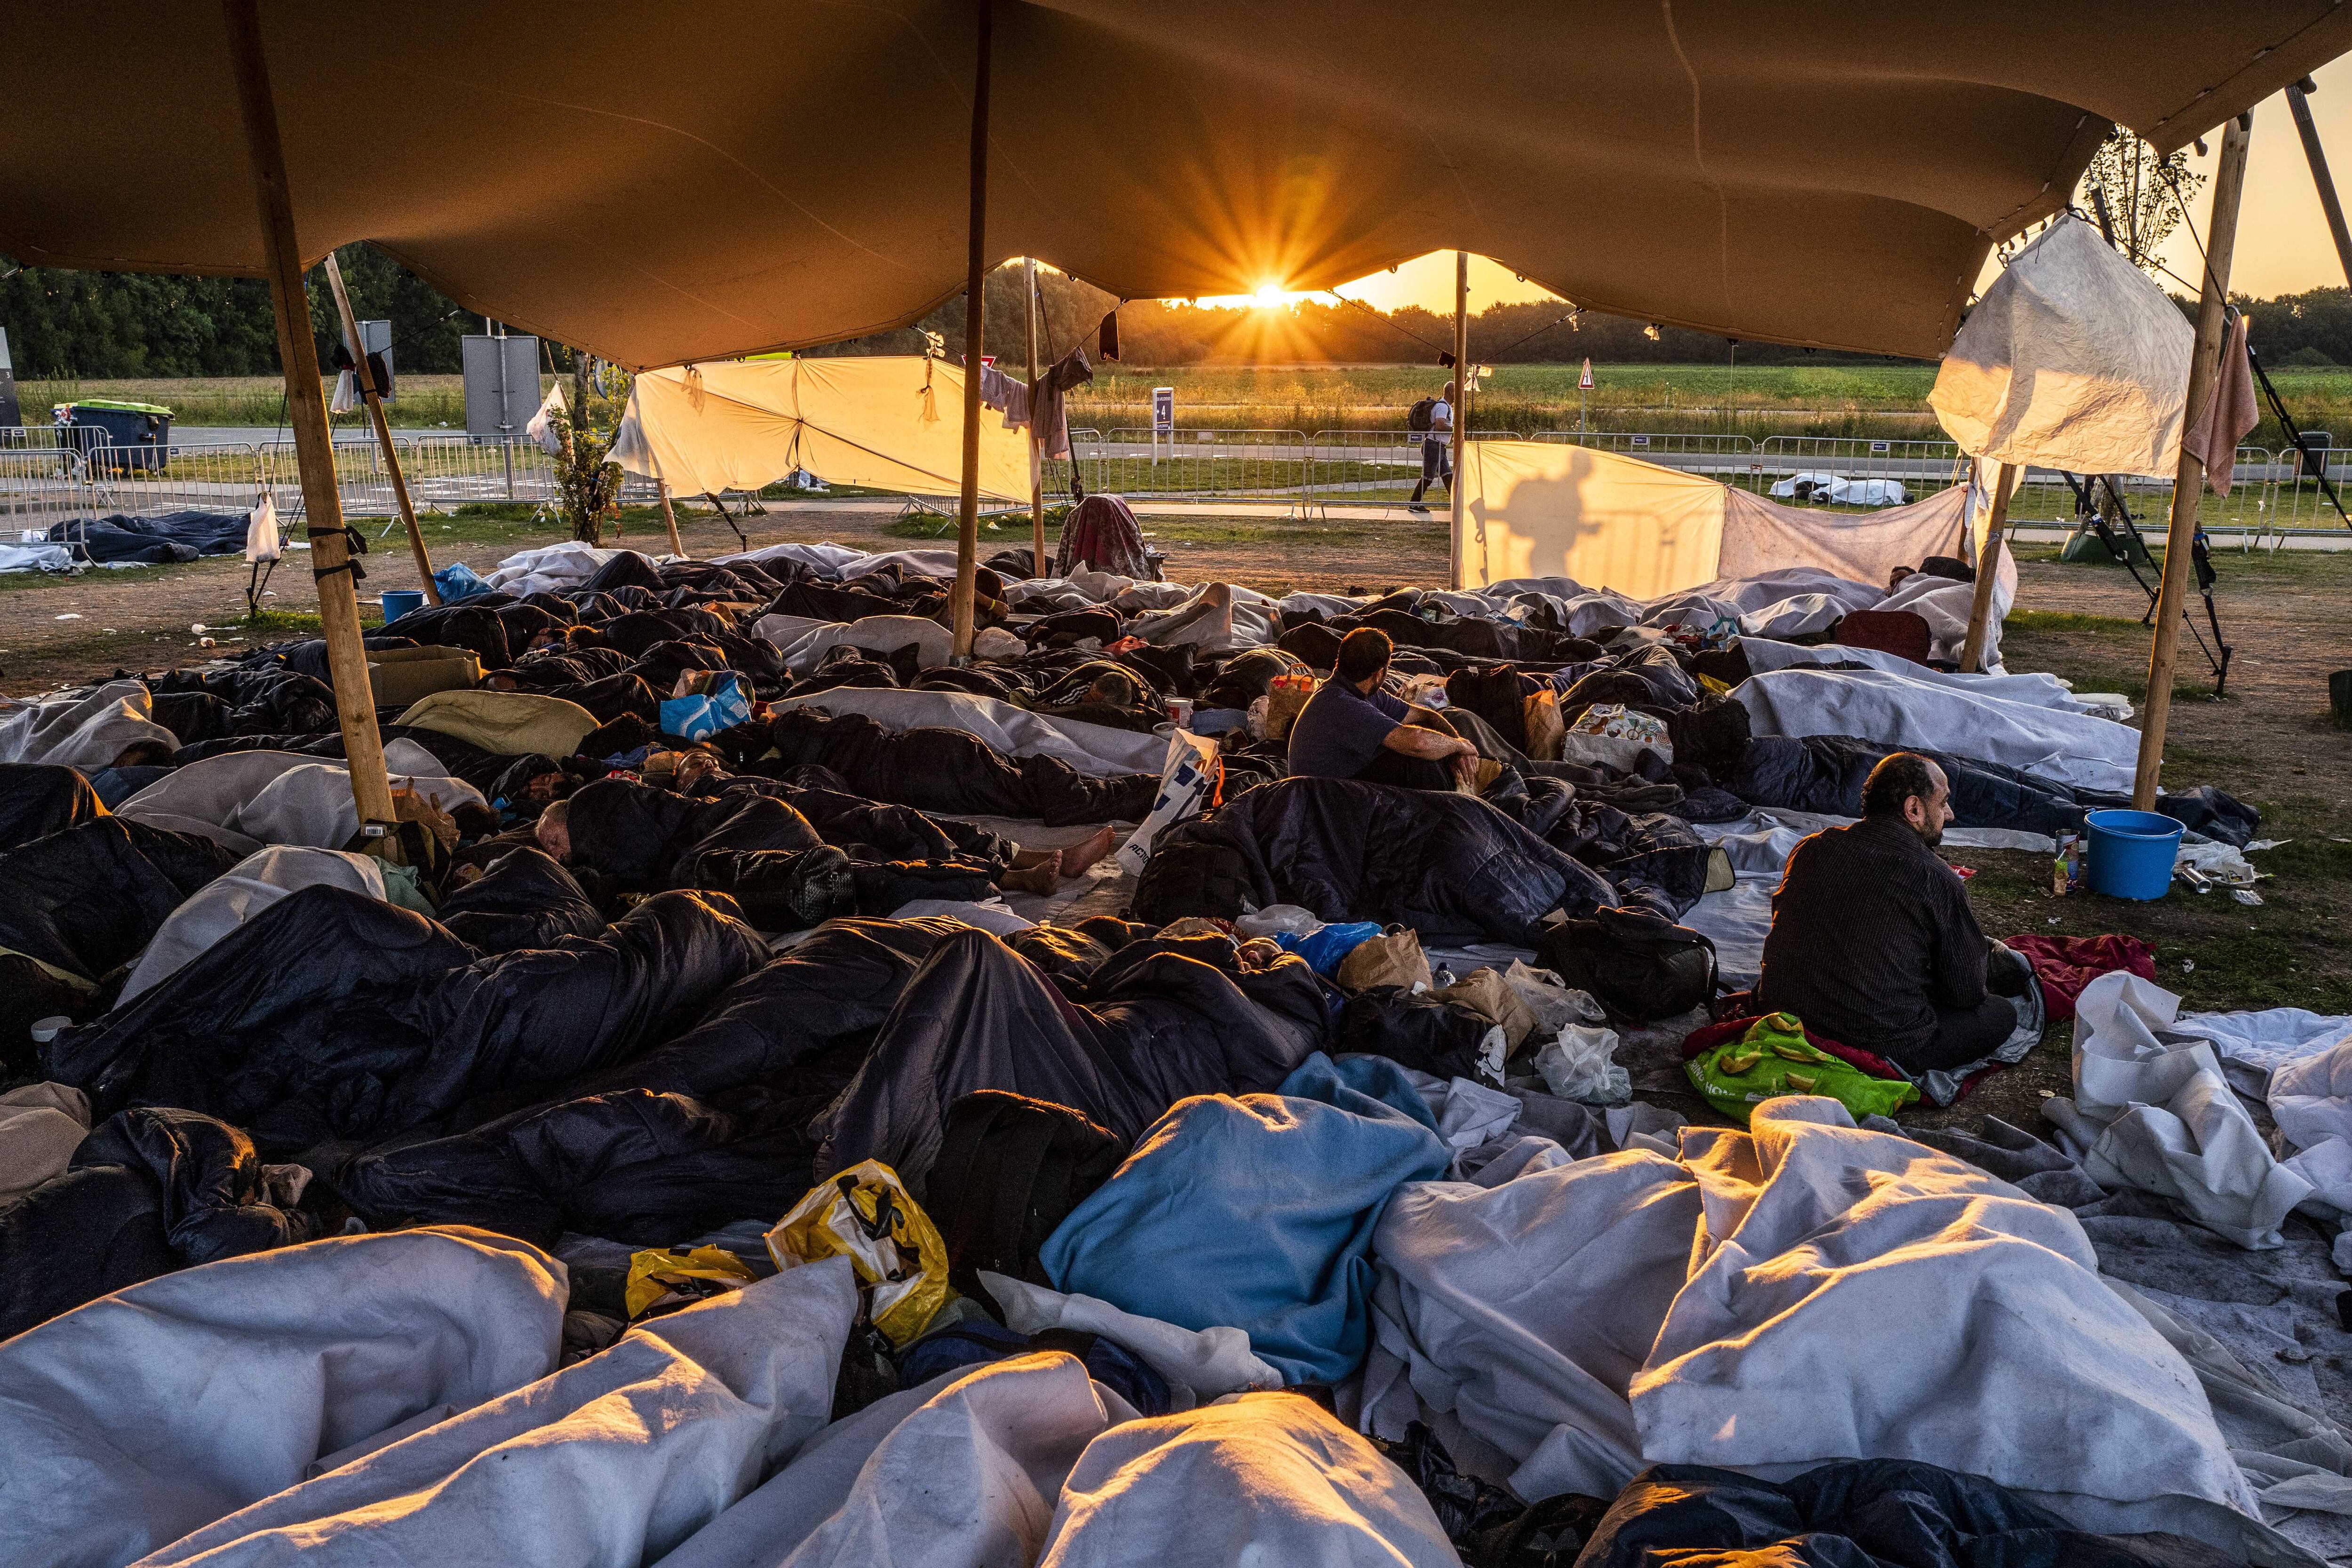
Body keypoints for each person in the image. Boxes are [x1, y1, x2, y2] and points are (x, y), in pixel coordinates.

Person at [1755, 752, 2026, 1074]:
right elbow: (1966, 993)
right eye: (1942, 804)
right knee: (2001, 1012)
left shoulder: (1811, 847)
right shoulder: (1935, 877)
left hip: (1783, 1017)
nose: (1950, 815)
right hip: (1886, 1045)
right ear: (1914, 809)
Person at [1285, 627, 1478, 789]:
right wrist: (1460, 745)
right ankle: (1453, 811)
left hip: (1347, 785)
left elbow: (1425, 715)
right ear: (1379, 674)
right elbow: (1418, 744)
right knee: (1417, 764)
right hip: (1322, 802)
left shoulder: (1367, 694)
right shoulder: (1339, 704)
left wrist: (1456, 749)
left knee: (1448, 722)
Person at [1406, 380, 1454, 514]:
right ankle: (1414, 504)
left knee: (1447, 476)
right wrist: (1455, 430)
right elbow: (1440, 425)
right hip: (1434, 446)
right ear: (1451, 392)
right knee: (1428, 477)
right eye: (1457, 391)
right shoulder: (1443, 407)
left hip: (1439, 447)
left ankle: (1456, 505)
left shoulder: (1447, 406)